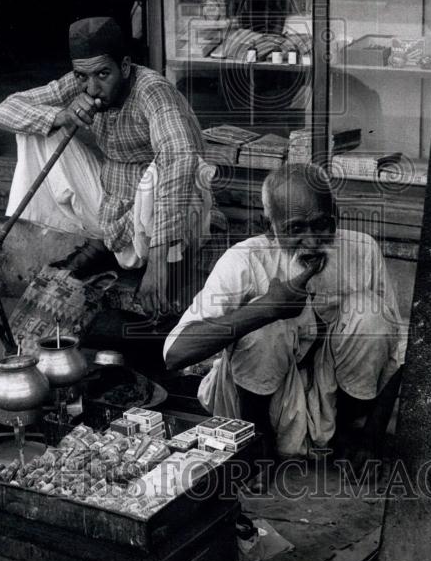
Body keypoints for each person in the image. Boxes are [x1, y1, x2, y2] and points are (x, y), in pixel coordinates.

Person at [163, 163, 404, 463]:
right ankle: (258, 444)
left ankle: (348, 436)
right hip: (262, 405)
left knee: (371, 313)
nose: (313, 242)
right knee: (265, 323)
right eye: (296, 229)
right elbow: (175, 353)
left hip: (332, 403)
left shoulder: (362, 251)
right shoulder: (245, 260)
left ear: (336, 218)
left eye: (321, 225)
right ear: (270, 228)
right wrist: (267, 309)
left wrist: (373, 436)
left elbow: (398, 355)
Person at [0, 16, 216, 316]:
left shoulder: (153, 91)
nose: (92, 87)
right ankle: (106, 244)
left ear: (124, 67)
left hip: (167, 216)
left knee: (169, 163)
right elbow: (3, 111)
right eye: (83, 77)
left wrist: (158, 261)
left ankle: (160, 260)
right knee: (37, 130)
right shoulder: (81, 83)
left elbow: (181, 161)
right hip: (112, 207)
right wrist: (61, 116)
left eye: (102, 74)